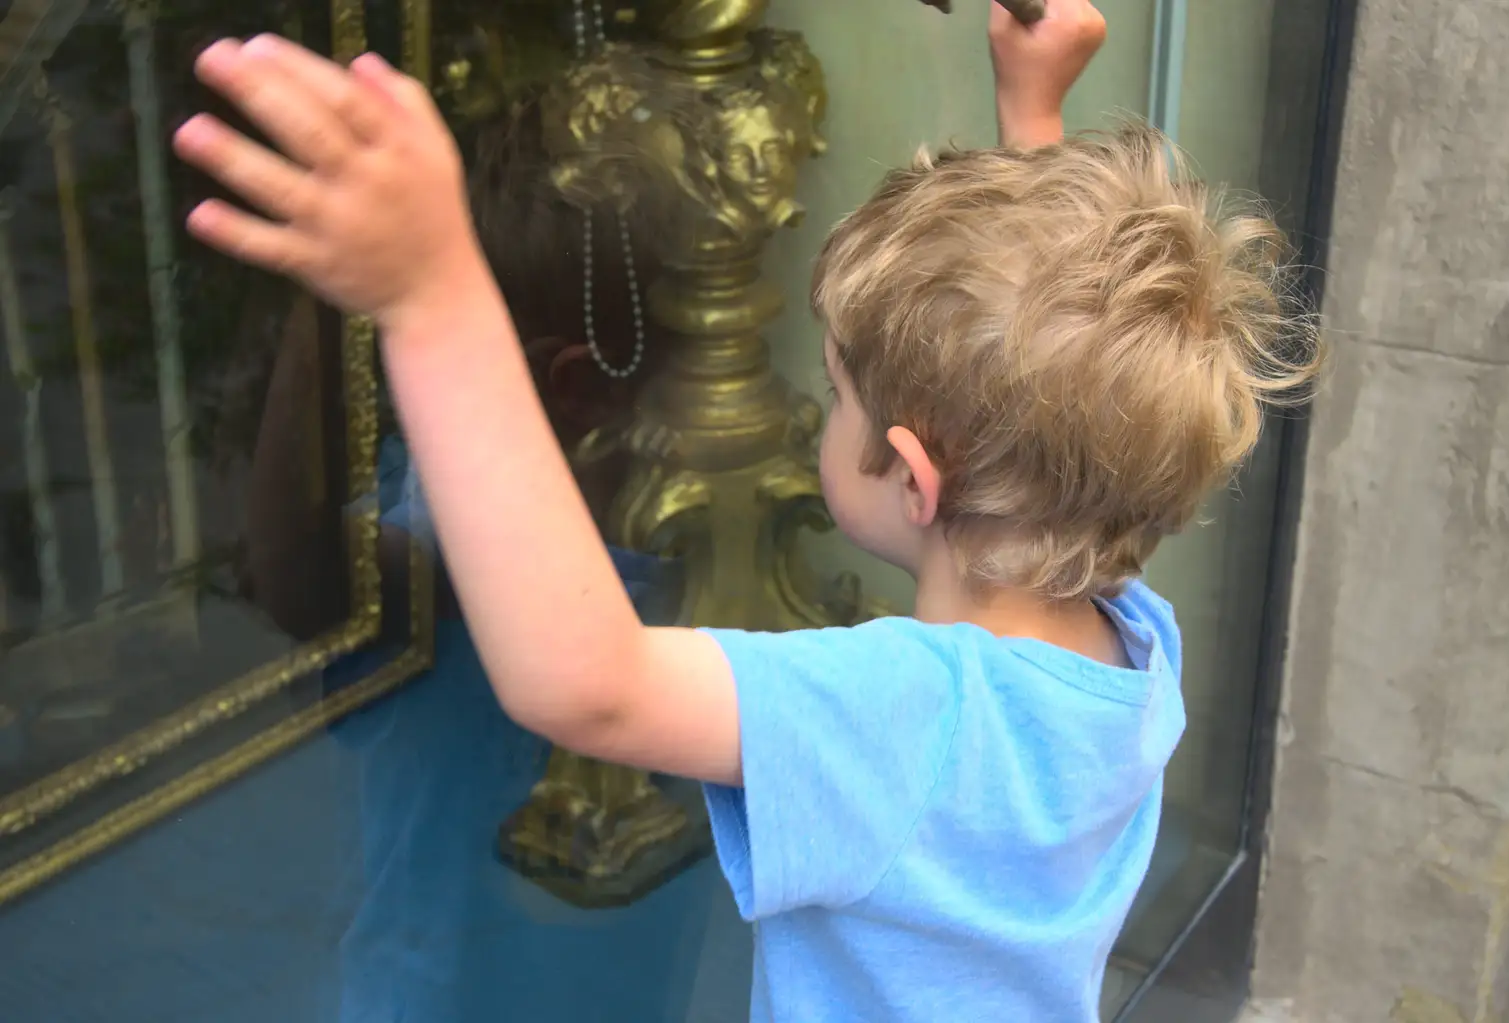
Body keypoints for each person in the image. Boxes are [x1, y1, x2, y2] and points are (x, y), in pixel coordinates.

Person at [170, 1, 1322, 1019]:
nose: (822, 407)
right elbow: (1065, 411)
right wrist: (1031, 113)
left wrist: (428, 291)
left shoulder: (904, 723)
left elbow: (589, 684)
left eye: (836, 393)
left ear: (915, 479)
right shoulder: (1130, 642)